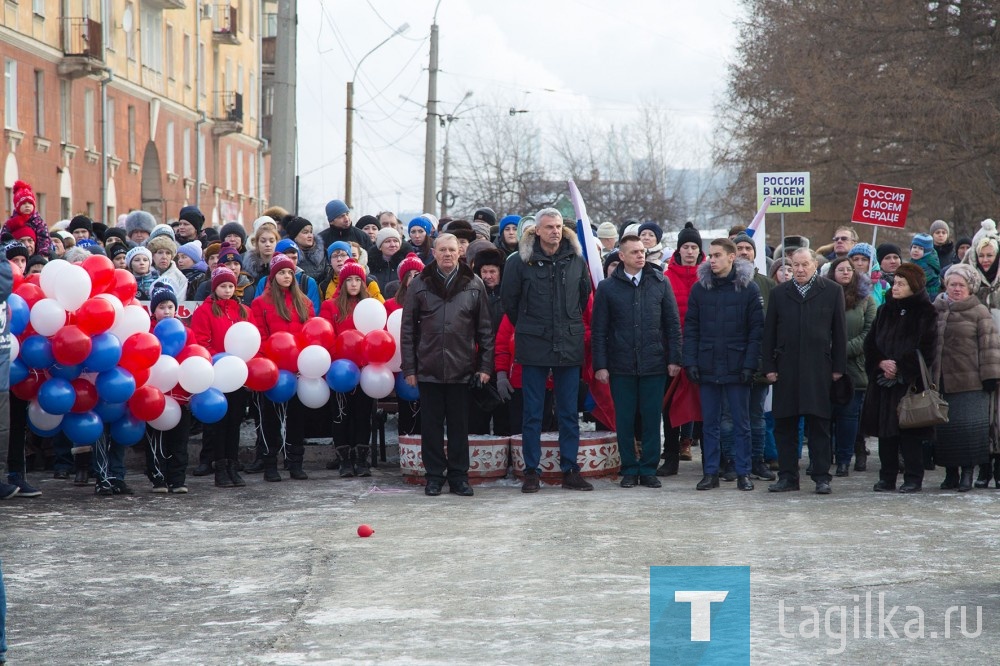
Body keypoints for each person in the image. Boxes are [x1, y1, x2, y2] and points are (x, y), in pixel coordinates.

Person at [501, 208, 593, 492]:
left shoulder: (576, 259)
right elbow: (510, 302)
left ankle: (570, 469)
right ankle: (532, 471)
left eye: (558, 227)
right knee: (533, 412)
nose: (555, 231)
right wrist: (531, 326)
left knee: (568, 412)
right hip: (534, 344)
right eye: (549, 227)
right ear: (536, 231)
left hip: (568, 343)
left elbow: (582, 296)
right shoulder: (519, 261)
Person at [401, 234, 493, 497]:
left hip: (462, 369)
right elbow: (407, 330)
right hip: (428, 368)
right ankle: (433, 476)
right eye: (442, 250)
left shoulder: (474, 284)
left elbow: (485, 330)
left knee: (459, 427)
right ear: (434, 252)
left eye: (452, 250)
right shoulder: (419, 284)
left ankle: (458, 477)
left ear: (460, 252)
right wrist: (410, 368)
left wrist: (484, 367)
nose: (448, 254)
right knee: (430, 426)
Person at [592, 234, 682, 488]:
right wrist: (600, 365)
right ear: (621, 256)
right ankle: (630, 468)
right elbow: (600, 330)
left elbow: (672, 324)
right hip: (621, 366)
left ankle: (649, 468)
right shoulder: (608, 288)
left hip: (654, 364)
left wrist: (675, 358)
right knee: (625, 419)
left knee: (652, 418)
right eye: (634, 252)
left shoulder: (660, 282)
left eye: (642, 251)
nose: (640, 256)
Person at [762, 248, 847, 494]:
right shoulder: (779, 293)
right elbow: (769, 334)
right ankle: (788, 476)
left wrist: (838, 368)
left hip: (819, 369)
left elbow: (839, 333)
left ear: (814, 266)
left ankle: (821, 476)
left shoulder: (831, 291)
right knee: (785, 424)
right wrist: (768, 366)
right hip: (786, 368)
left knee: (819, 424)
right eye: (795, 265)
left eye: (804, 265)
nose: (799, 270)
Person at [682, 238, 764, 491]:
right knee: (710, 423)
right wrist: (691, 362)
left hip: (737, 365)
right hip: (707, 365)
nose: (712, 260)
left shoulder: (748, 289)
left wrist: (750, 365)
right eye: (710, 255)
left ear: (731, 257)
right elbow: (691, 329)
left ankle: (743, 473)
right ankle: (711, 473)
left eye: (717, 255)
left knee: (741, 423)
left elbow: (756, 332)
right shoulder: (699, 289)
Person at [861, 263, 937, 493]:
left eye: (901, 284)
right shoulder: (886, 310)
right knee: (886, 434)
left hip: (909, 384)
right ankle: (887, 477)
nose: (895, 287)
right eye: (895, 283)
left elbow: (927, 349)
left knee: (909, 433)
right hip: (883, 383)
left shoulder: (926, 311)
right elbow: (870, 343)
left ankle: (913, 478)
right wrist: (880, 363)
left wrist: (902, 369)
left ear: (913, 286)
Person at [932, 264, 1000, 491]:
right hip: (941, 380)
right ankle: (950, 473)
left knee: (969, 431)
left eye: (961, 285)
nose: (957, 289)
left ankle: (967, 474)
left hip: (970, 382)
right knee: (945, 431)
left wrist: (991, 376)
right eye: (953, 284)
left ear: (970, 288)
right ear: (946, 285)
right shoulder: (937, 309)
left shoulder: (980, 312)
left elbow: (989, 346)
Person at [190, 267, 256, 488]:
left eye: (230, 286)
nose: (227, 290)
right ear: (214, 288)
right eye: (223, 286)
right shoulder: (205, 312)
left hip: (238, 375)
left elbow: (250, 340)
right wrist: (220, 360)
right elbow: (202, 342)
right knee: (219, 423)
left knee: (234, 422)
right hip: (217, 374)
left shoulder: (244, 311)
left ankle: (232, 465)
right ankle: (219, 467)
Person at [251, 254, 312, 482]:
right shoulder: (261, 303)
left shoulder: (304, 302)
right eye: (281, 272)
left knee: (296, 418)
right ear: (273, 276)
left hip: (298, 370)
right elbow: (260, 334)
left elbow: (310, 333)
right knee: (271, 419)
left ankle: (295, 463)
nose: (286, 276)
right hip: (273, 370)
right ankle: (270, 465)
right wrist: (271, 360)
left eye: (289, 272)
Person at [731, 231, 778, 481]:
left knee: (757, 416)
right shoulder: (724, 282)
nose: (744, 252)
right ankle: (732, 462)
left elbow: (774, 324)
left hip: (760, 362)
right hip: (731, 363)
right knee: (730, 417)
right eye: (739, 248)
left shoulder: (768, 285)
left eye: (747, 248)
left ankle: (757, 461)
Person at [659, 222, 704, 474]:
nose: (689, 251)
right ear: (678, 250)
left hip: (702, 352)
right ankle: (671, 456)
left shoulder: (708, 275)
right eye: (685, 246)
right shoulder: (666, 277)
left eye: (694, 247)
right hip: (673, 352)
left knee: (706, 407)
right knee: (670, 405)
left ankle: (711, 458)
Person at [827, 257, 876, 476]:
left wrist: (842, 349)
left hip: (854, 367)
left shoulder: (866, 300)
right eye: (841, 269)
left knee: (848, 416)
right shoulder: (823, 296)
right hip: (824, 366)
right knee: (824, 416)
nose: (846, 272)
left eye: (849, 269)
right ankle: (824, 457)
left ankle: (845, 458)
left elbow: (869, 332)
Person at [145, 283, 191, 494]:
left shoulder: (186, 332)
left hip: (181, 396)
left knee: (179, 441)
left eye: (170, 307)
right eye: (161, 307)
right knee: (156, 439)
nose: (166, 311)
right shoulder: (147, 333)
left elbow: (193, 360)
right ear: (153, 310)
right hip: (154, 397)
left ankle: (177, 479)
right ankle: (158, 478)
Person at [965, 219, 1000, 487]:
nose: (985, 260)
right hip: (977, 358)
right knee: (982, 414)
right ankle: (984, 466)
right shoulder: (969, 284)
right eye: (981, 255)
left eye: (990, 255)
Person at [3, 180, 52, 256]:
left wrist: (43, 255)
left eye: (30, 203)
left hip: (35, 255)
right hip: (15, 255)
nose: (27, 206)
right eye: (24, 203)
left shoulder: (38, 222)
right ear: (17, 206)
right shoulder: (11, 222)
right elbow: (4, 238)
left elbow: (44, 238)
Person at [283, 215, 327, 282]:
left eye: (311, 232)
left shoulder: (323, 253)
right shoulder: (286, 255)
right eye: (305, 232)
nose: (310, 236)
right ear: (295, 237)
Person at [909, 233, 941, 299]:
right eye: (914, 247)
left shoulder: (927, 265)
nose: (916, 250)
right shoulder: (915, 261)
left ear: (927, 252)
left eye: (920, 248)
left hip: (930, 295)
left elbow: (918, 282)